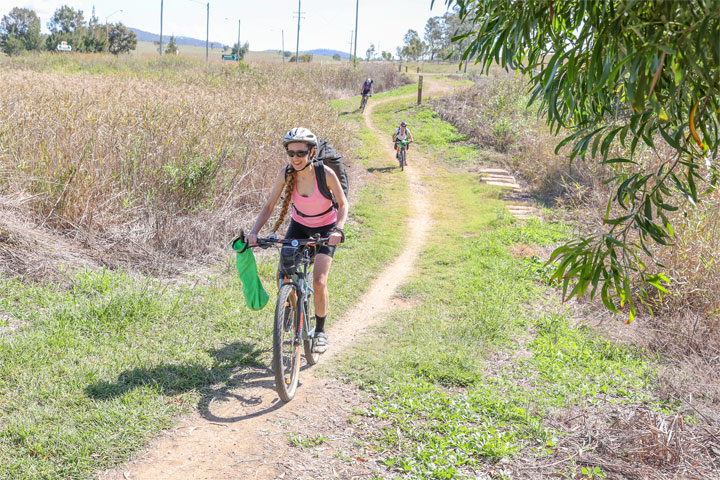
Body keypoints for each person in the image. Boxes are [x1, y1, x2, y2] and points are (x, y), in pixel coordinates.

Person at [247, 127, 348, 354]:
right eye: (291, 153)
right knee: (283, 273)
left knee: (319, 282)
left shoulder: (325, 174)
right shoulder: (286, 174)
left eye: (301, 153)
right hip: (300, 226)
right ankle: (289, 306)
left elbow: (343, 204)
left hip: (326, 229)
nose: (295, 158)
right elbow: (269, 206)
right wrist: (254, 232)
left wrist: (338, 230)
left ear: (311, 153)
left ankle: (320, 332)